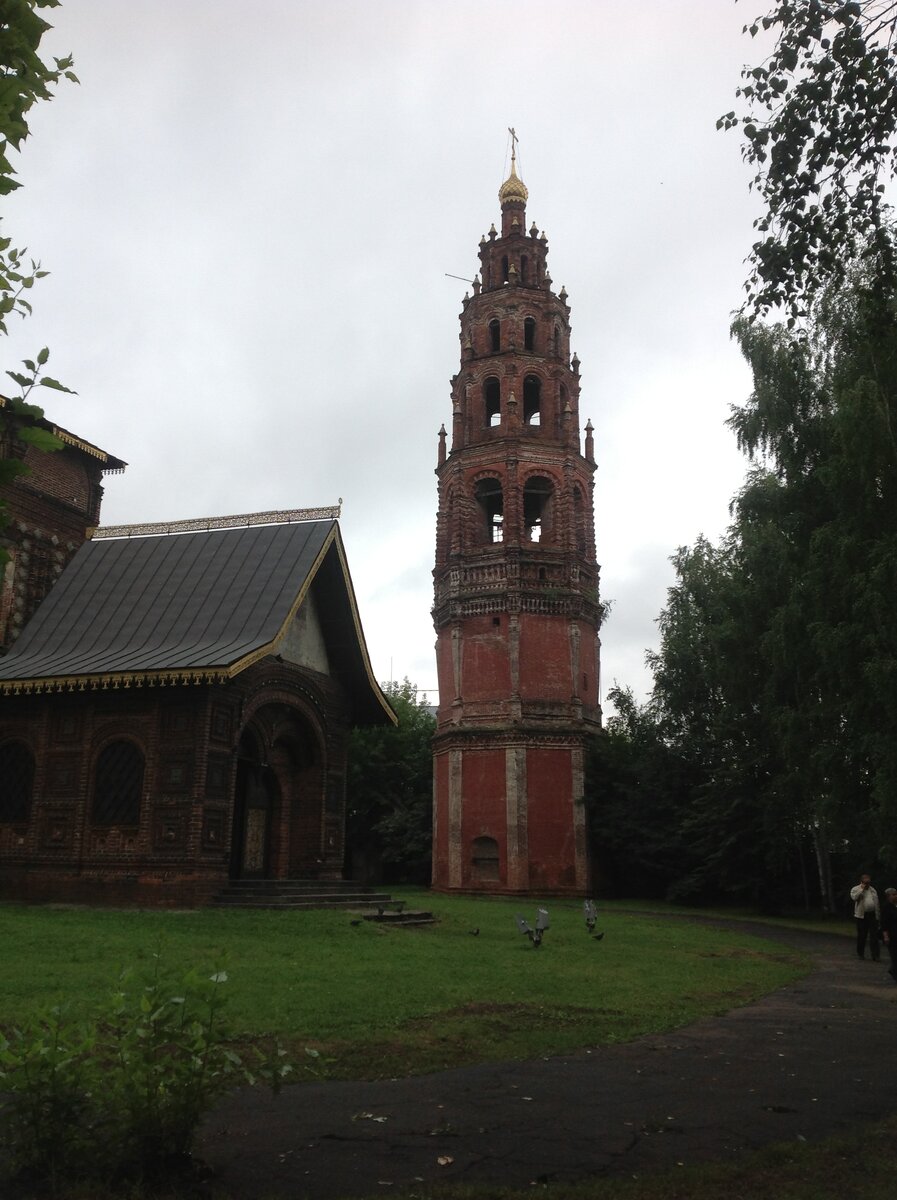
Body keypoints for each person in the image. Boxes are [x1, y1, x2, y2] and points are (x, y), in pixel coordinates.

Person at [850, 873, 881, 961]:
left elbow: (877, 903)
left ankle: (875, 955)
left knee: (874, 936)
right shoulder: (856, 889)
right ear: (862, 882)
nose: (867, 884)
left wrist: (878, 915)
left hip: (872, 915)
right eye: (866, 882)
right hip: (861, 916)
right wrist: (862, 890)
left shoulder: (873, 890)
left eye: (868, 882)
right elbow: (854, 898)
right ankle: (860, 953)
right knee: (862, 935)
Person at [880, 887, 897, 982]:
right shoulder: (886, 908)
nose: (895, 896)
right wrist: (886, 936)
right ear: (888, 897)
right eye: (893, 894)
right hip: (892, 935)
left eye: (896, 894)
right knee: (895, 956)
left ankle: (893, 970)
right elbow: (884, 924)